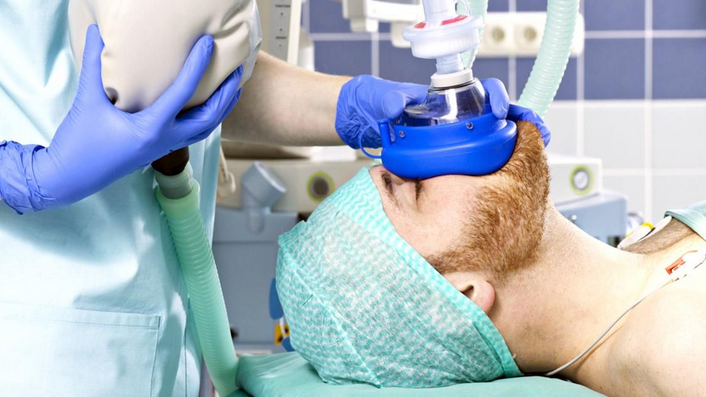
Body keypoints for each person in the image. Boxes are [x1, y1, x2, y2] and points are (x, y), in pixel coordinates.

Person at [0, 0, 543, 395]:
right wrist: (25, 174)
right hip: (4, 342)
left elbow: (196, 74)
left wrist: (358, 107)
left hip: (164, 338)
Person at [277, 120, 706, 396]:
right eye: (415, 190)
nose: (434, 152)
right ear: (461, 298)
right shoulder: (678, 351)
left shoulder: (644, 255)